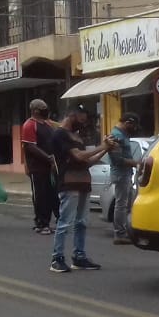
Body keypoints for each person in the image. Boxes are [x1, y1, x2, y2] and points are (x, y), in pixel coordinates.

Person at [49, 103, 117, 273]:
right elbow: (78, 156)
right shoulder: (60, 134)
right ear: (72, 115)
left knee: (82, 222)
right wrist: (102, 146)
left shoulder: (77, 136)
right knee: (65, 222)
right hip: (69, 182)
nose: (83, 122)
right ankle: (57, 258)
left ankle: (79, 256)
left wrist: (105, 149)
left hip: (83, 182)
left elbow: (87, 162)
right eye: (81, 118)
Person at [21, 98, 58, 234]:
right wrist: (48, 158)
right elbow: (30, 147)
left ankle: (46, 222)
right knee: (40, 196)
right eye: (43, 108)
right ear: (36, 110)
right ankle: (41, 223)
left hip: (50, 167)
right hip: (37, 167)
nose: (46, 109)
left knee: (50, 195)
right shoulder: (29, 125)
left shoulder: (47, 124)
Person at [106, 113, 142, 244]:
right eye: (134, 125)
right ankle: (119, 233)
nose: (135, 128)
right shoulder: (117, 136)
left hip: (125, 173)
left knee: (126, 204)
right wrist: (136, 163)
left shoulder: (122, 134)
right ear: (128, 122)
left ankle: (124, 231)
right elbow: (117, 159)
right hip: (120, 174)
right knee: (121, 204)